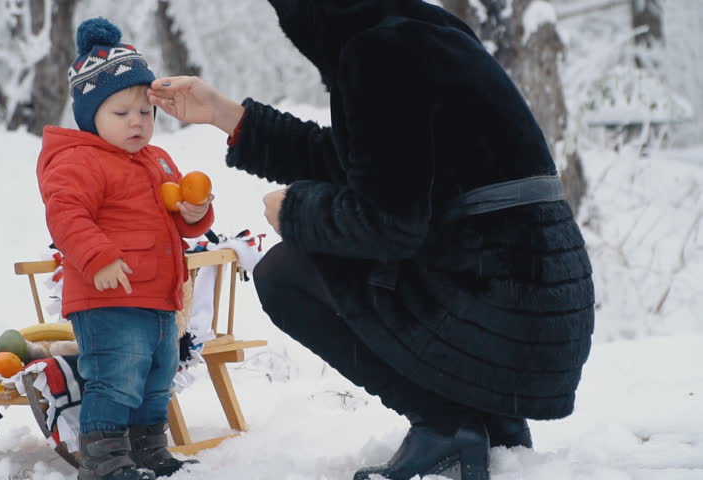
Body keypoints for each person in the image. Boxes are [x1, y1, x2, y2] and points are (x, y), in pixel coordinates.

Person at [147, 1, 594, 479]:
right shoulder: (422, 28)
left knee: (285, 273)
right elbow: (369, 164)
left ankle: (445, 426)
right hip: (536, 307)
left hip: (500, 303)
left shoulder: (377, 50)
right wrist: (227, 116)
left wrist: (298, 211)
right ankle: (491, 421)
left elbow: (388, 224)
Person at [37, 17, 214, 480]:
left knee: (157, 378)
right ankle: (104, 459)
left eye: (145, 113)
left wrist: (194, 214)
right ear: (91, 115)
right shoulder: (79, 162)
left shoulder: (157, 160)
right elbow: (66, 213)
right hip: (107, 296)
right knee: (117, 377)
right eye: (121, 114)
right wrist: (97, 256)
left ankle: (148, 448)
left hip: (157, 297)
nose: (137, 122)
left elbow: (176, 214)